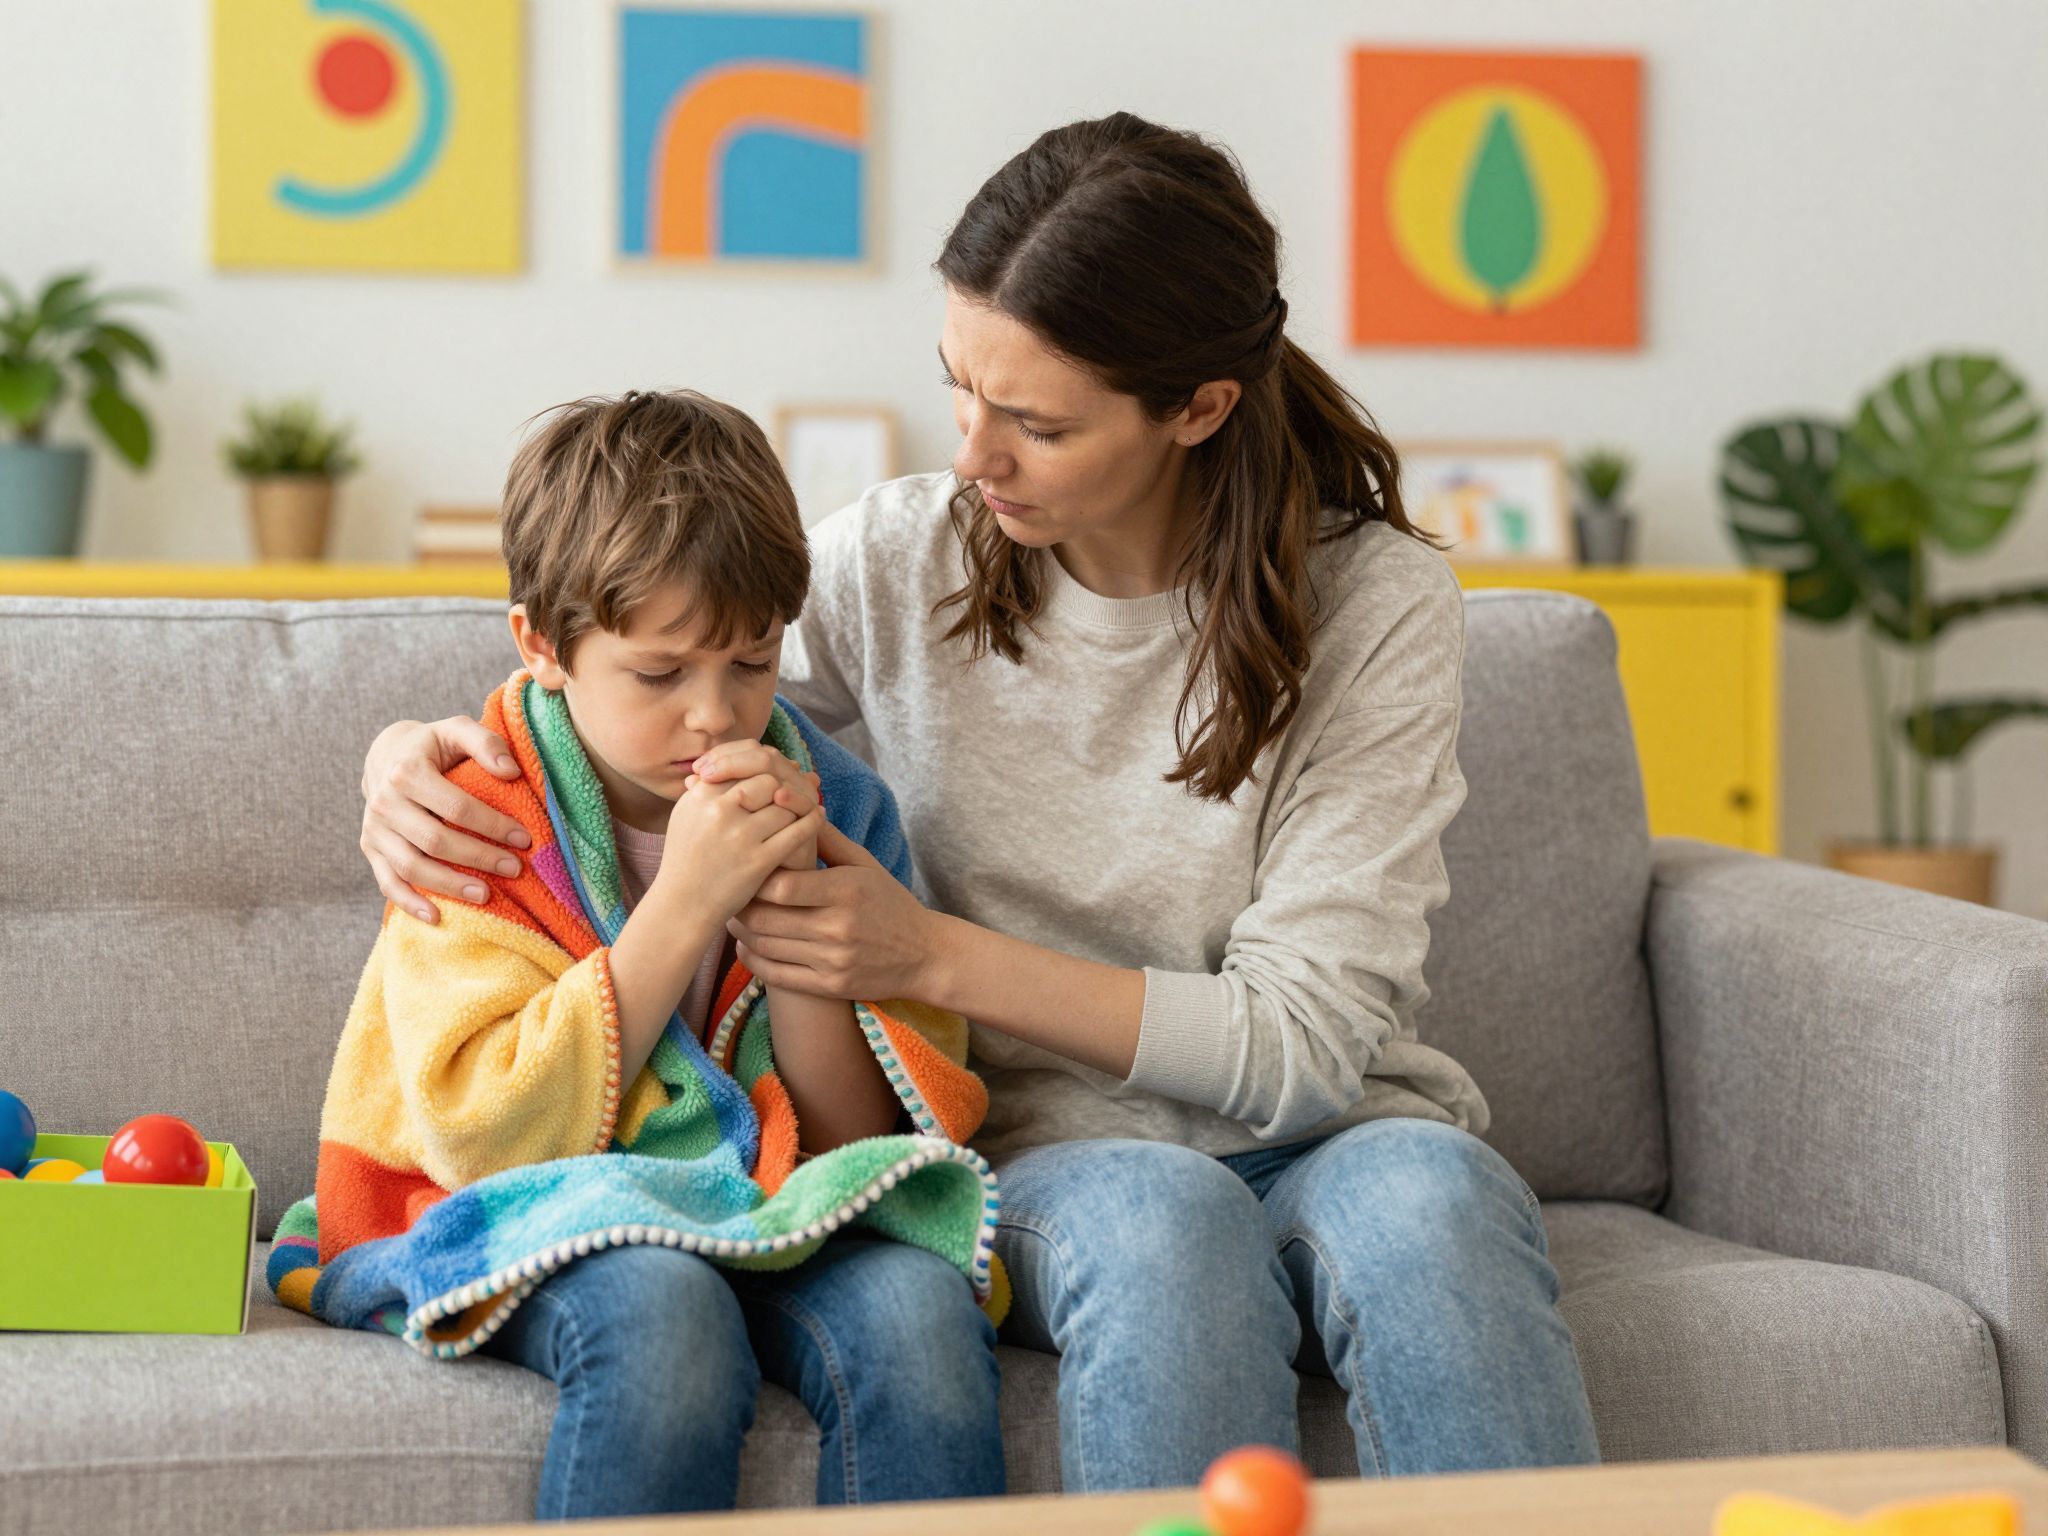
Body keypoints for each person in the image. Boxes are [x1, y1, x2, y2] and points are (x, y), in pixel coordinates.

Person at [355, 115, 1601, 1488]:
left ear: (1198, 408)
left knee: (1438, 1204)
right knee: (1164, 1220)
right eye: (962, 390)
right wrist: (404, 753)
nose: (977, 457)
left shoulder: (1376, 606)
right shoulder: (904, 563)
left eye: (1039, 422)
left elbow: (1302, 1043)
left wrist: (927, 954)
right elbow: (643, 653)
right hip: (1055, 1151)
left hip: (1331, 1128)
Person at [282, 389, 1006, 1519]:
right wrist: (684, 905)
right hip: (524, 1209)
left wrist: (795, 921)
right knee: (666, 1317)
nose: (715, 717)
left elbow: (853, 1145)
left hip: (766, 1202)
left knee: (919, 1320)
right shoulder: (480, 822)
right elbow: (485, 1132)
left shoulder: (835, 807)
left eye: (753, 664)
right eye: (661, 675)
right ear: (543, 647)